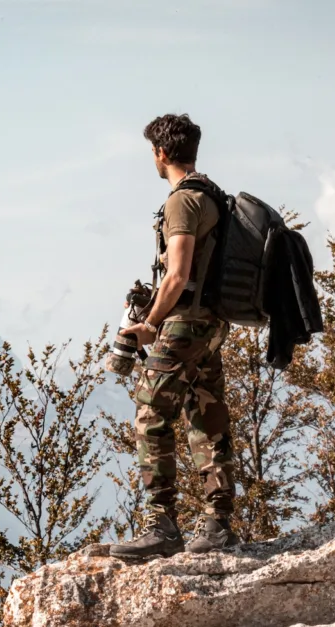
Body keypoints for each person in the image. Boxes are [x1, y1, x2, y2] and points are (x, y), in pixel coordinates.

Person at [109, 113, 239, 559]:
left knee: (152, 412)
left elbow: (179, 273)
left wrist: (149, 323)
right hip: (212, 323)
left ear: (161, 153)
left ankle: (161, 525)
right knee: (207, 415)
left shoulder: (182, 201)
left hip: (184, 323)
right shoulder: (213, 195)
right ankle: (218, 523)